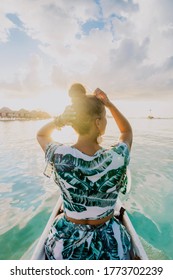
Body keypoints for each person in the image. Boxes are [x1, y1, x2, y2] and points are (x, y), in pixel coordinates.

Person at [37, 83, 133, 260]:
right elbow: (126, 131)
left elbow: (41, 135)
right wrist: (109, 104)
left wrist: (60, 120)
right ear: (98, 122)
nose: (105, 121)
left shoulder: (60, 155)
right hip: (109, 241)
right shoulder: (116, 157)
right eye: (105, 117)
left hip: (66, 244)